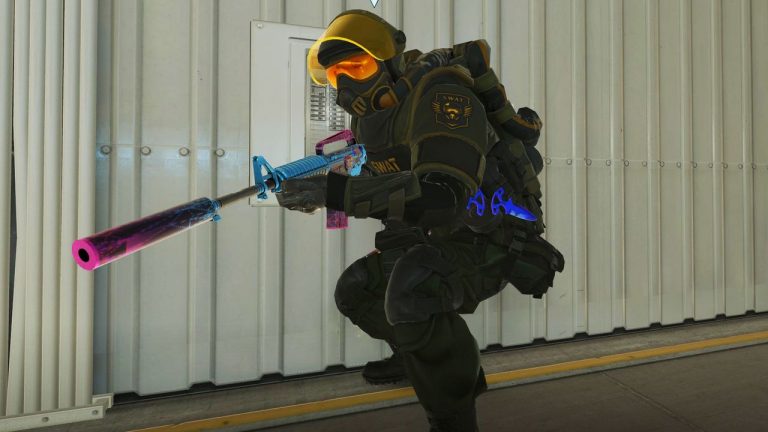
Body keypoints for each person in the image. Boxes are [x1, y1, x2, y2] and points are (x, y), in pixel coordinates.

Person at [276, 10, 564, 431]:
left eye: (358, 66)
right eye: (336, 75)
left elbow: (443, 196)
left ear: (390, 63)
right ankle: (414, 357)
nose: (347, 83)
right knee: (357, 290)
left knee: (411, 289)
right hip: (437, 231)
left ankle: (454, 416)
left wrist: (333, 193)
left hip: (492, 233)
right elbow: (391, 181)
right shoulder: (372, 120)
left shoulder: (443, 94)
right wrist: (322, 188)